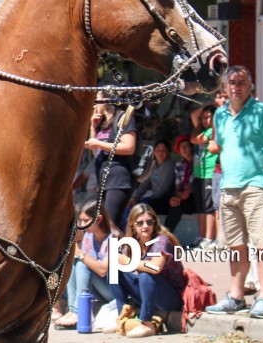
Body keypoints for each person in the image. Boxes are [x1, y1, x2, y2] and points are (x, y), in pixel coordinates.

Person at [205, 66, 263, 319]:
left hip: (257, 187)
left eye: (241, 82)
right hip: (229, 187)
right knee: (235, 246)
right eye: (232, 82)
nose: (236, 87)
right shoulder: (219, 115)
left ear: (250, 85)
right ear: (225, 87)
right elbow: (219, 145)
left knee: (262, 244)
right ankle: (236, 296)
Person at [111, 203, 186, 338]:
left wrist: (127, 261)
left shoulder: (162, 240)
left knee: (146, 275)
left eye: (149, 222)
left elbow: (155, 267)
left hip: (171, 297)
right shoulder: (132, 242)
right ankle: (123, 317)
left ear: (155, 223)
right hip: (149, 292)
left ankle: (147, 324)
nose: (145, 226)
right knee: (115, 271)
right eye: (140, 223)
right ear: (133, 225)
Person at [55, 198, 121, 329]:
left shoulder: (114, 238)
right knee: (74, 262)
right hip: (95, 289)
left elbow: (103, 270)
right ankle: (73, 310)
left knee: (81, 262)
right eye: (81, 221)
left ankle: (78, 312)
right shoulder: (88, 237)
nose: (82, 225)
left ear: (99, 219)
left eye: (86, 221)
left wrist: (80, 253)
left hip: (112, 289)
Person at [82, 101, 138, 229]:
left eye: (97, 101)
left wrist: (99, 143)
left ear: (106, 102)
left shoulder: (123, 118)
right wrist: (93, 127)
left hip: (118, 179)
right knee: (104, 224)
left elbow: (129, 147)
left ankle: (119, 248)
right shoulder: (104, 124)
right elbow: (97, 152)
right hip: (104, 180)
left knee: (110, 224)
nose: (94, 105)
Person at [128, 140, 177, 224]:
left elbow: (165, 187)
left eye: (163, 151)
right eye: (157, 150)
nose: (160, 153)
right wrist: (136, 198)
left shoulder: (169, 164)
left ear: (168, 152)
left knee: (145, 209)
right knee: (131, 206)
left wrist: (150, 199)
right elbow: (146, 183)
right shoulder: (154, 164)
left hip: (165, 199)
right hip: (155, 198)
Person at [190, 104, 218, 249]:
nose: (206, 120)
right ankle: (201, 237)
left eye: (209, 117)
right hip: (198, 173)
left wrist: (214, 107)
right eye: (204, 117)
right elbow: (194, 115)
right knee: (200, 208)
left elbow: (195, 139)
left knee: (209, 208)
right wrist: (209, 103)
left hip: (209, 173)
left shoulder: (213, 131)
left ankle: (209, 238)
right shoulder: (202, 128)